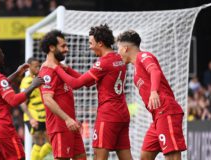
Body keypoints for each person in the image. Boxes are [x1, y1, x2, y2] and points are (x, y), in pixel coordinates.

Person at [48, 24, 132, 160]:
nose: (89, 46)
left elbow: (76, 84)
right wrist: (67, 69)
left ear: (100, 43)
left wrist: (56, 68)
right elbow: (88, 82)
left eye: (90, 43)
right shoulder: (118, 59)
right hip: (122, 114)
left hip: (108, 115)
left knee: (99, 157)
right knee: (126, 157)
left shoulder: (103, 63)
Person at [116, 30, 187, 160]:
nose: (118, 53)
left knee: (172, 154)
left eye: (118, 49)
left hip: (166, 110)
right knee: (145, 156)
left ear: (125, 48)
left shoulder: (144, 56)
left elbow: (155, 71)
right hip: (157, 116)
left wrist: (154, 91)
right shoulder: (136, 67)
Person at [0, 43, 43, 160]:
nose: (3, 54)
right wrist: (33, 85)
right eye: (0, 53)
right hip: (2, 131)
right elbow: (13, 101)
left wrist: (17, 73)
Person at [38, 30, 87, 160]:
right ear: (52, 47)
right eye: (63, 46)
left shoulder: (60, 68)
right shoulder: (47, 72)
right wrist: (67, 119)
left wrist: (64, 68)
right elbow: (47, 100)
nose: (67, 49)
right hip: (60, 126)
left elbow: (83, 81)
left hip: (71, 125)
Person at [19, 57, 52, 160]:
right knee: (38, 143)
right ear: (29, 67)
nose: (38, 67)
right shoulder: (26, 81)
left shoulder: (42, 79)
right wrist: (31, 118)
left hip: (45, 117)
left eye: (39, 65)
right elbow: (22, 103)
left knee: (51, 143)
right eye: (35, 66)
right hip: (34, 117)